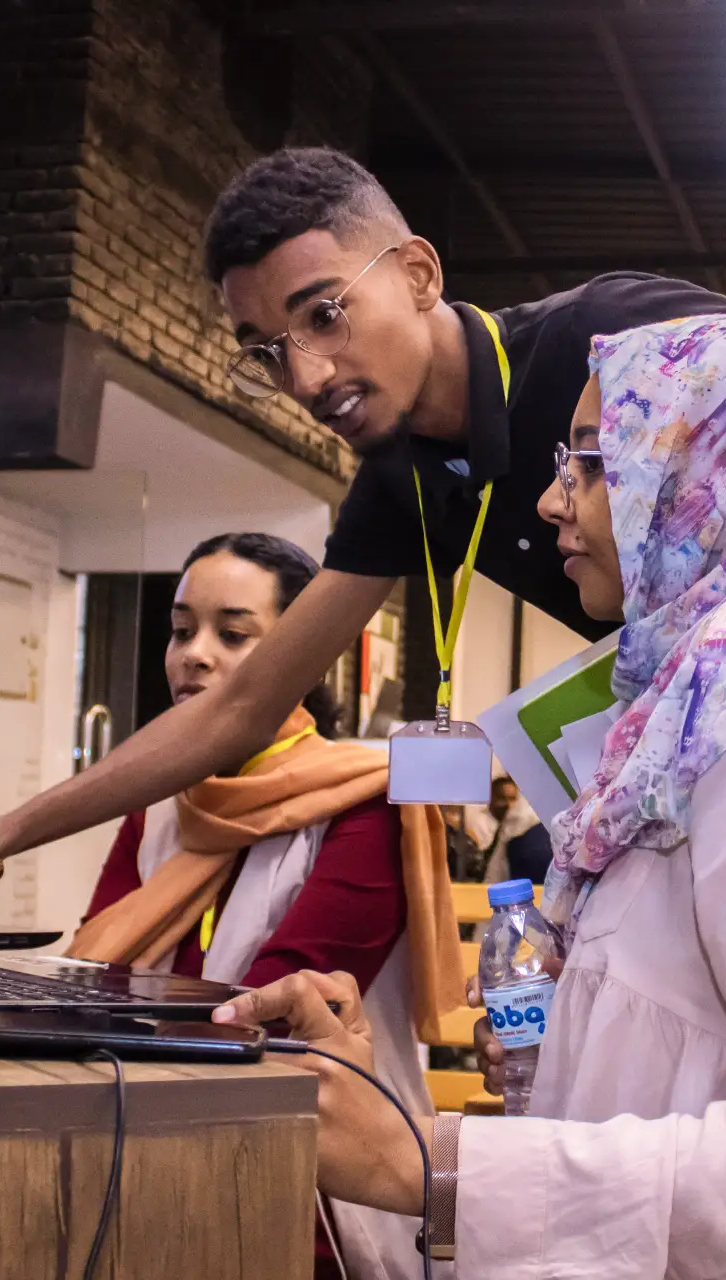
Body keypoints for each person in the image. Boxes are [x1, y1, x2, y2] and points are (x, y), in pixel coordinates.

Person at [0, 146, 726, 928]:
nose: (306, 375)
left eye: (324, 315)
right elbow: (239, 706)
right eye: (266, 351)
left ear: (414, 273)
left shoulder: (610, 332)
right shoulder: (402, 481)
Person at [220, 314, 726, 1278]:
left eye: (591, 461)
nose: (549, 501)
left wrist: (428, 1164)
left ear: (715, 462)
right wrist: (536, 1060)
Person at [66, 531, 465, 1280]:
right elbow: (94, 980)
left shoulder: (366, 801)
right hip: (146, 1148)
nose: (193, 655)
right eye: (181, 630)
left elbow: (269, 1018)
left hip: (313, 1188)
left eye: (233, 634)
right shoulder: (159, 804)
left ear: (303, 654)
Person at [466, 776, 548, 883]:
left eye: (512, 799)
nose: (509, 804)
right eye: (502, 799)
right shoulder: (515, 828)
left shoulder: (524, 822)